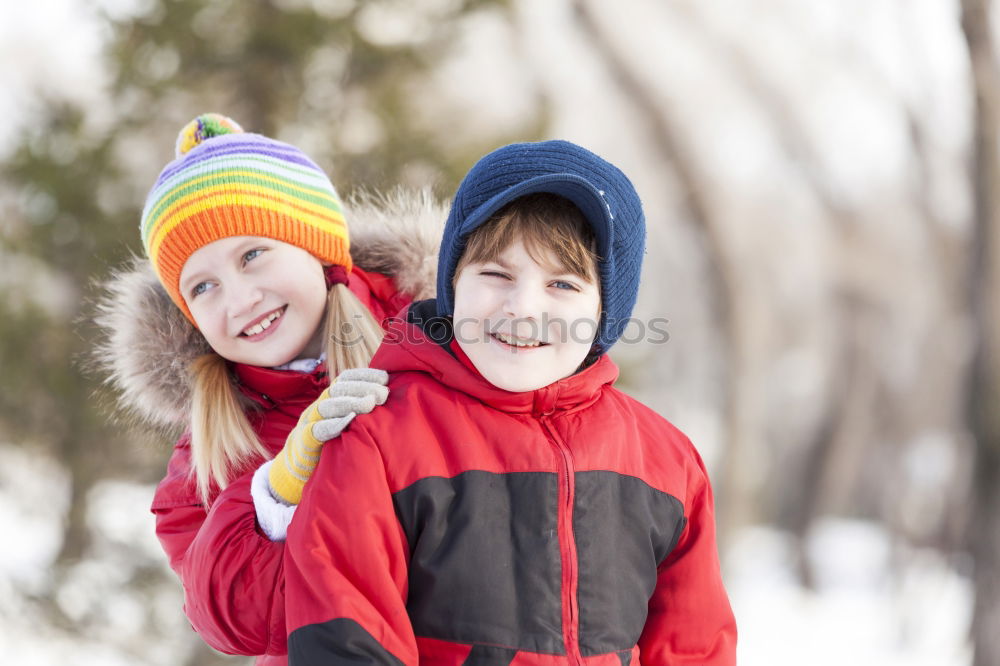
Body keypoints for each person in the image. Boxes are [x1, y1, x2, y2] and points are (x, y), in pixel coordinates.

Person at [279, 140, 738, 664]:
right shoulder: (378, 439)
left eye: (562, 284)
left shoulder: (667, 462)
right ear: (452, 283)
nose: (523, 307)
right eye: (496, 274)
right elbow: (345, 639)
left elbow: (695, 645)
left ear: (604, 314)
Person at [93, 113, 443, 665]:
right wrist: (275, 496)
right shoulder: (204, 470)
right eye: (203, 287)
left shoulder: (440, 343)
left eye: (252, 255)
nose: (239, 300)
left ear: (316, 246)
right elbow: (246, 623)